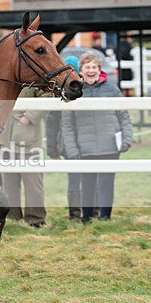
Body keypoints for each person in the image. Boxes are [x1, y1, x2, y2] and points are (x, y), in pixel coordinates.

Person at [61, 52, 132, 221]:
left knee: (107, 184)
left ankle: (105, 218)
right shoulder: (74, 91)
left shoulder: (112, 89)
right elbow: (67, 124)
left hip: (110, 146)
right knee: (87, 185)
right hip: (85, 148)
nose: (91, 70)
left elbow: (124, 115)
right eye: (87, 67)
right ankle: (86, 219)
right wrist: (71, 149)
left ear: (99, 69)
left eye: (94, 67)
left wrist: (127, 138)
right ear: (81, 70)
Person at [0, 86, 48, 227]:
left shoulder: (35, 75)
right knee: (8, 184)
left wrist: (29, 116)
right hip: (5, 138)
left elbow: (48, 96)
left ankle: (36, 219)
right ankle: (11, 217)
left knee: (33, 182)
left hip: (30, 140)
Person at [46, 56, 82, 221]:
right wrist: (52, 149)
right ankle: (74, 212)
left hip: (84, 141)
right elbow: (52, 124)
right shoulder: (59, 95)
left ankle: (91, 210)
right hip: (67, 143)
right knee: (74, 179)